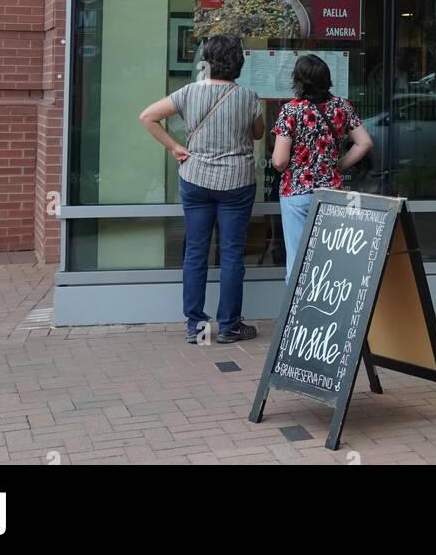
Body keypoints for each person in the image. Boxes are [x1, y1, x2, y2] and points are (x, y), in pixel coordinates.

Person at [139, 35, 264, 344]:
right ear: (238, 63)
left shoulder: (188, 93)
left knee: (196, 251)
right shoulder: (248, 96)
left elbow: (147, 117)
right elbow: (259, 133)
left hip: (195, 179)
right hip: (237, 181)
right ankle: (230, 326)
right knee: (232, 254)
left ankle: (196, 326)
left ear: (207, 61)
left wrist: (175, 147)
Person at [271, 54, 372, 279]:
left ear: (299, 80)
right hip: (331, 192)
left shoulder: (291, 110)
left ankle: (297, 314)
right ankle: (325, 309)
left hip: (296, 192)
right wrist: (338, 166)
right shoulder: (342, 106)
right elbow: (364, 142)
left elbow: (279, 160)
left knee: (298, 261)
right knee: (327, 257)